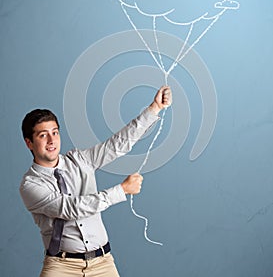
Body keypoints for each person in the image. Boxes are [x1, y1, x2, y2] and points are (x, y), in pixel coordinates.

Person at [20, 86, 172, 277]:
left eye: (55, 132)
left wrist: (154, 109)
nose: (52, 140)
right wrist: (121, 190)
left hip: (102, 263)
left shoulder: (81, 160)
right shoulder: (30, 185)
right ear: (29, 143)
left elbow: (117, 144)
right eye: (43, 135)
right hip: (61, 266)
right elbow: (71, 208)